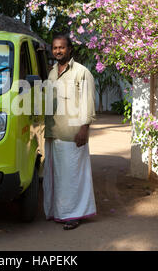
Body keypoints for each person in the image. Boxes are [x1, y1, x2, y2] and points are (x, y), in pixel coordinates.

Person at [43, 33, 97, 230]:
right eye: (55, 48)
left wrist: (84, 128)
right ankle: (59, 211)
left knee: (73, 176)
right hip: (53, 132)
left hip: (73, 134)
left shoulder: (82, 72)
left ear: (70, 49)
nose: (58, 51)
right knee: (57, 176)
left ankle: (75, 214)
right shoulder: (51, 73)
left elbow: (88, 103)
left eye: (62, 48)